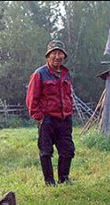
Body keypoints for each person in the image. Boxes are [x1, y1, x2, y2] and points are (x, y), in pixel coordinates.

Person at [26, 39, 75, 186]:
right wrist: (40, 117)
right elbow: (31, 99)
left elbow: (69, 95)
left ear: (64, 56)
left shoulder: (66, 74)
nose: (57, 56)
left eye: (60, 53)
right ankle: (49, 181)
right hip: (47, 120)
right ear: (48, 56)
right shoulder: (39, 74)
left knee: (68, 150)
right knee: (46, 151)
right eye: (54, 53)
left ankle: (64, 178)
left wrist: (69, 111)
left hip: (65, 119)